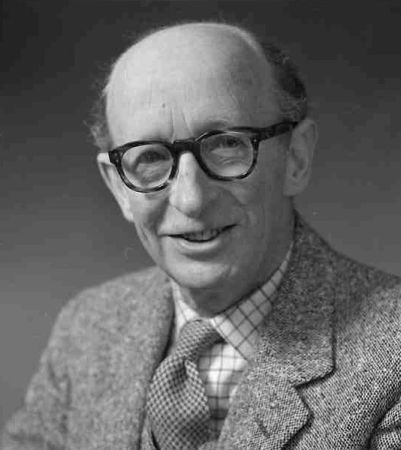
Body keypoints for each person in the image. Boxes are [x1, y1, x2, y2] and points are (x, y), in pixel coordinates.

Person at [2, 21, 401, 450]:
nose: (191, 199)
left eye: (226, 145)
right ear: (118, 187)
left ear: (296, 158)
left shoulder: (393, 354)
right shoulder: (86, 326)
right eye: (150, 158)